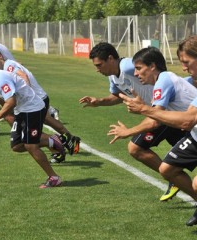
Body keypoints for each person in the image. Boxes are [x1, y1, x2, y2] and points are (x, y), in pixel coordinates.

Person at [79, 42, 185, 201]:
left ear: (110, 58)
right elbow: (118, 96)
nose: (97, 69)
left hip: (164, 112)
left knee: (136, 147)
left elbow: (158, 73)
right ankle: (174, 178)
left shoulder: (128, 65)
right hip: (156, 113)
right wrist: (99, 101)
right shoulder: (113, 77)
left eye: (99, 65)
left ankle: (174, 179)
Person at [118, 36, 197, 226]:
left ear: (152, 66)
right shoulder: (169, 80)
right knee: (166, 169)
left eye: (186, 62)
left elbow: (184, 120)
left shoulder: (164, 80)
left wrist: (132, 126)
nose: (136, 74)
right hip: (194, 134)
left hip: (190, 127)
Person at [0, 59, 62, 188]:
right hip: (22, 110)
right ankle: (51, 141)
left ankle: (54, 177)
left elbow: (11, 102)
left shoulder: (0, 78)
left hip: (32, 109)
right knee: (17, 146)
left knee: (31, 146)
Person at [0, 48, 81, 162]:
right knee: (48, 123)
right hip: (37, 99)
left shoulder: (8, 66)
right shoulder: (3, 70)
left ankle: (60, 146)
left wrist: (29, 96)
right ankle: (69, 142)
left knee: (31, 130)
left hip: (35, 100)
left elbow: (23, 76)